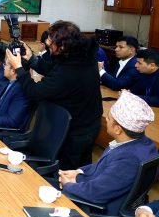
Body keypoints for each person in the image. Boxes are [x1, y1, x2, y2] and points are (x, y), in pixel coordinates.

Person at [6, 20, 102, 169]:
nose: (48, 45)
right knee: (81, 167)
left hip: (77, 129)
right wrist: (31, 59)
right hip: (87, 121)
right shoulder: (82, 55)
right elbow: (54, 70)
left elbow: (35, 92)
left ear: (62, 45)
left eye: (51, 43)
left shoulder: (70, 71)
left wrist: (18, 67)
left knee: (69, 170)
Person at [59, 91, 156, 215]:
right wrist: (78, 173)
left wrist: (68, 185)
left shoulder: (129, 159)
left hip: (99, 209)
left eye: (109, 118)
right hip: (99, 192)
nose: (106, 119)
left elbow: (96, 193)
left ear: (118, 129)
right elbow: (105, 167)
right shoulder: (143, 143)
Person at [0, 58, 33, 132]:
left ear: (13, 71)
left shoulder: (20, 90)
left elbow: (12, 121)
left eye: (5, 65)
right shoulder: (10, 83)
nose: (3, 67)